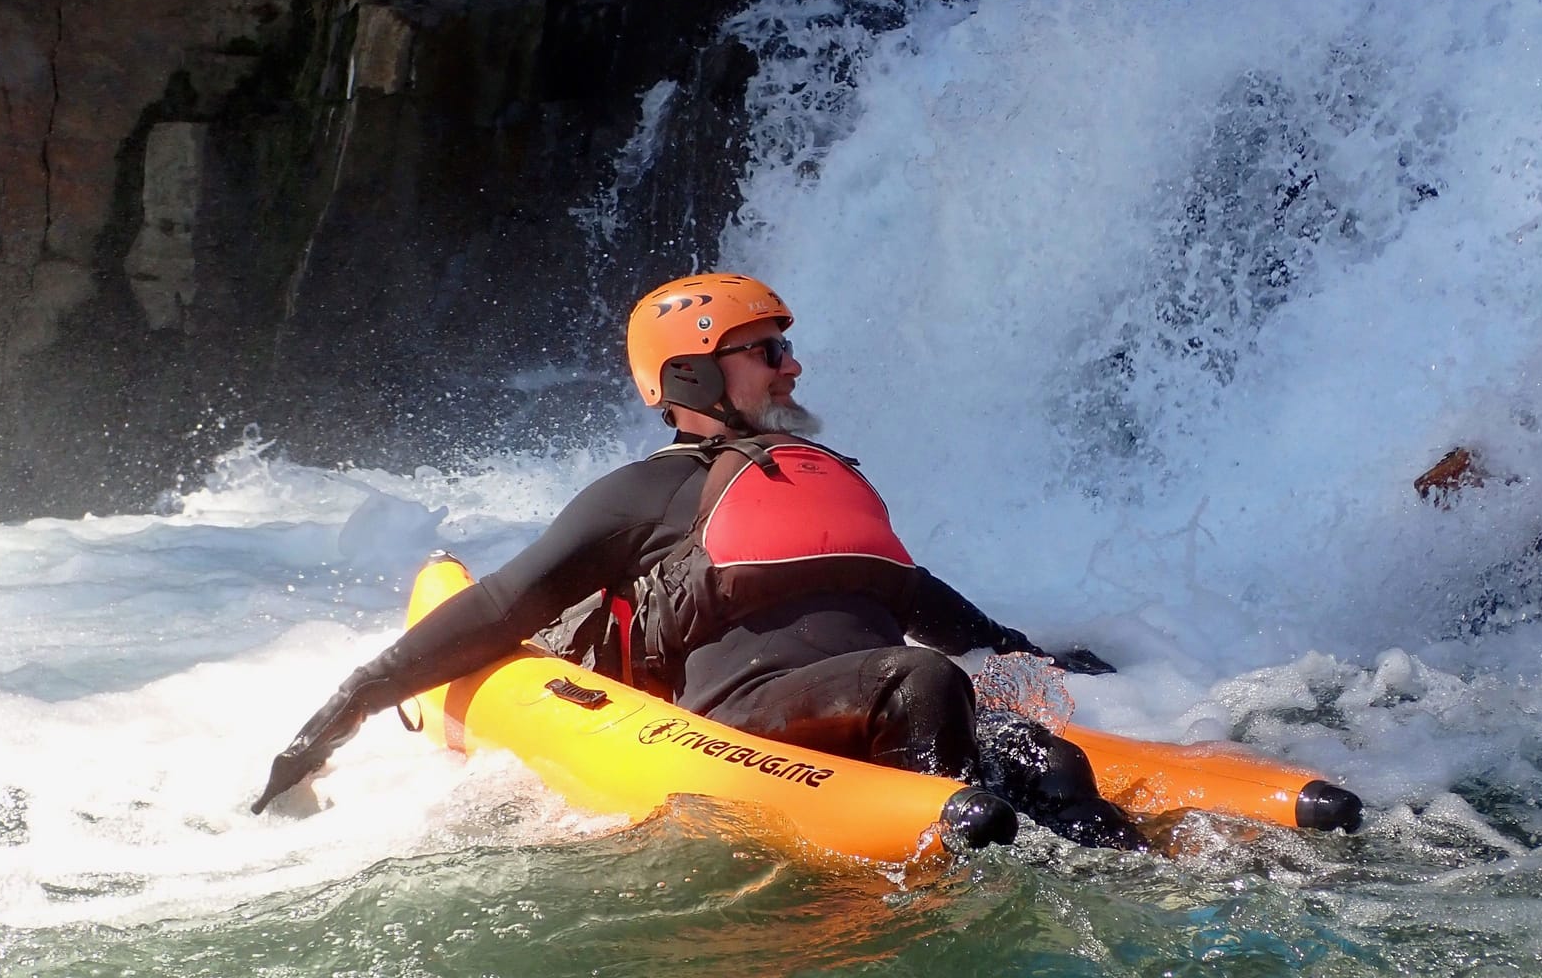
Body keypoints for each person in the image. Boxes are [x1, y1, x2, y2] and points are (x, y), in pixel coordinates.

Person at [252, 272, 1139, 848]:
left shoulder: (823, 478)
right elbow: (503, 606)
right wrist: (350, 704)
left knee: (1054, 764)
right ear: (692, 376)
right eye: (769, 352)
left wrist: (1033, 652)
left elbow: (917, 594)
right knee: (926, 679)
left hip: (873, 702)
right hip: (752, 718)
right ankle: (944, 869)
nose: (793, 367)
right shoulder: (643, 494)